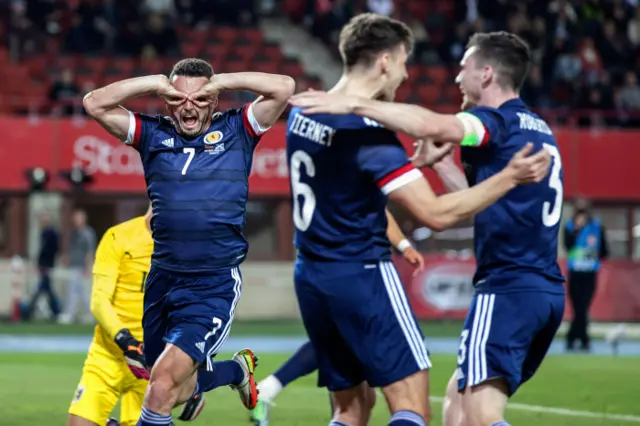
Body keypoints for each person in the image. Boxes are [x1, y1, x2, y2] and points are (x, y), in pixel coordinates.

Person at [291, 30, 564, 426]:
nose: (455, 78)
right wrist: (443, 167)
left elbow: (431, 125)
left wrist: (353, 103)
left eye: (464, 68)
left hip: (507, 287)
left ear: (486, 74)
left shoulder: (491, 123)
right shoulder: (537, 127)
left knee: (476, 413)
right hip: (545, 290)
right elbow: (488, 202)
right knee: (456, 403)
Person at [83, 58, 295, 426]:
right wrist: (153, 82)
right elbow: (93, 103)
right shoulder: (152, 134)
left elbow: (284, 87)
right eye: (179, 99)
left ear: (213, 101)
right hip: (162, 280)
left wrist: (221, 81)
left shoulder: (238, 129)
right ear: (167, 101)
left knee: (162, 384)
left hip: (211, 284)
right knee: (167, 385)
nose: (189, 107)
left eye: (199, 99)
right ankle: (235, 373)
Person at [250, 210, 425, 426]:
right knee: (410, 403)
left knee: (351, 409)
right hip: (359, 266)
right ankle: (269, 387)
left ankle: (270, 386)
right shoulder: (354, 180)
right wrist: (405, 245)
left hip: (312, 269)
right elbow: (395, 207)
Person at [68, 207, 154, 426]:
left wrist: (191, 382)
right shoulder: (119, 236)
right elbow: (99, 300)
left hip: (151, 364)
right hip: (109, 354)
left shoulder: (184, 249)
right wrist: (126, 341)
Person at [564, 199, 608, 352]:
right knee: (578, 308)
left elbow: (604, 251)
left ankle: (573, 338)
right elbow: (567, 247)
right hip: (575, 272)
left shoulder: (597, 227)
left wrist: (593, 255)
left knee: (583, 307)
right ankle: (583, 339)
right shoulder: (569, 227)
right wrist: (576, 231)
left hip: (590, 272)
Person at [59, 209, 96, 324]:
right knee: (74, 291)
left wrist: (88, 267)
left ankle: (87, 314)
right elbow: (71, 249)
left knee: (83, 292)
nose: (76, 220)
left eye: (79, 218)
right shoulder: (73, 233)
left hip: (82, 266)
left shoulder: (88, 233)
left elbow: (90, 251)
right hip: (73, 266)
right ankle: (71, 313)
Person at [25, 212, 61, 321]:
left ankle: (30, 310)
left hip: (47, 265)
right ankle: (55, 311)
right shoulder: (43, 233)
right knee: (46, 288)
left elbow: (53, 250)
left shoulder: (51, 233)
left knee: (43, 288)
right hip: (43, 264)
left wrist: (46, 263)